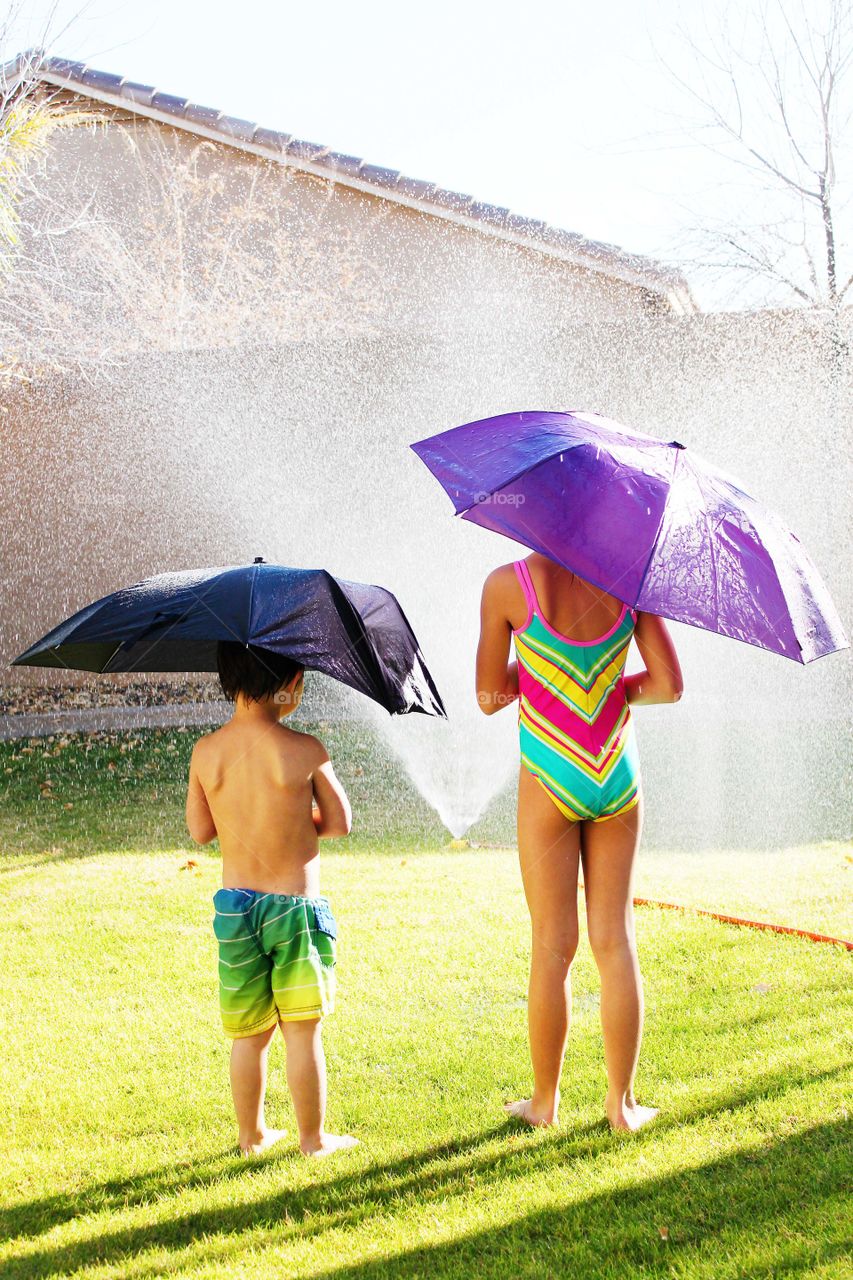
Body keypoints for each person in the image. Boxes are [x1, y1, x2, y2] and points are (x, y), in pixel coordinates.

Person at [477, 553, 683, 1132]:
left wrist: (543, 675)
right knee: (614, 940)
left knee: (552, 945)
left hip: (551, 773)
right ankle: (622, 1106)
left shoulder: (506, 585)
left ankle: (545, 1103)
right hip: (615, 771)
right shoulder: (629, 579)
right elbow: (668, 686)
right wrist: (612, 689)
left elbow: (490, 696)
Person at [185, 641, 358, 1157]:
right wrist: (293, 820)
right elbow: (341, 823)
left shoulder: (206, 752)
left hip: (237, 912)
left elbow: (200, 831)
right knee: (302, 1032)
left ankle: (251, 1135)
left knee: (250, 1034)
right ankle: (313, 1140)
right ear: (290, 684)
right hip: (295, 912)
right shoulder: (305, 751)